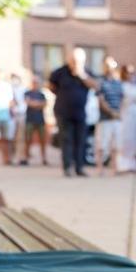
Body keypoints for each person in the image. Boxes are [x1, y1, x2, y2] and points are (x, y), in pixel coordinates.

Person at [48, 47, 97, 177]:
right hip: (63, 112)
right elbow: (51, 86)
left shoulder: (86, 72)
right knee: (66, 139)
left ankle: (79, 168)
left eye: (79, 61)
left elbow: (95, 86)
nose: (75, 63)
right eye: (74, 60)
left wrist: (82, 74)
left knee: (80, 140)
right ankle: (67, 167)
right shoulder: (60, 72)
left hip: (80, 112)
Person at [94, 56, 124, 176]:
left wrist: (118, 113)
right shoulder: (100, 81)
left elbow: (121, 99)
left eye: (110, 65)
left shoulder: (118, 83)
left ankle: (115, 168)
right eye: (106, 65)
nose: (108, 67)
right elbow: (101, 100)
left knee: (116, 145)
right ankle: (100, 169)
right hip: (105, 119)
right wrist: (112, 112)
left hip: (117, 119)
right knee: (102, 144)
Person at [115, 65, 136, 173]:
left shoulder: (135, 86)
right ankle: (122, 164)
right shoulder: (121, 86)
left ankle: (131, 163)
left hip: (134, 116)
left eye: (132, 73)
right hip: (125, 114)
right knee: (124, 138)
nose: (131, 75)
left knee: (133, 139)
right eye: (128, 73)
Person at [20, 76, 48, 166]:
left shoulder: (41, 94)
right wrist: (37, 104)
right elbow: (28, 103)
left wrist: (33, 103)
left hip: (40, 120)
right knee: (27, 139)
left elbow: (44, 104)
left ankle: (44, 158)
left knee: (43, 140)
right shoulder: (27, 93)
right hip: (30, 120)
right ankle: (26, 157)